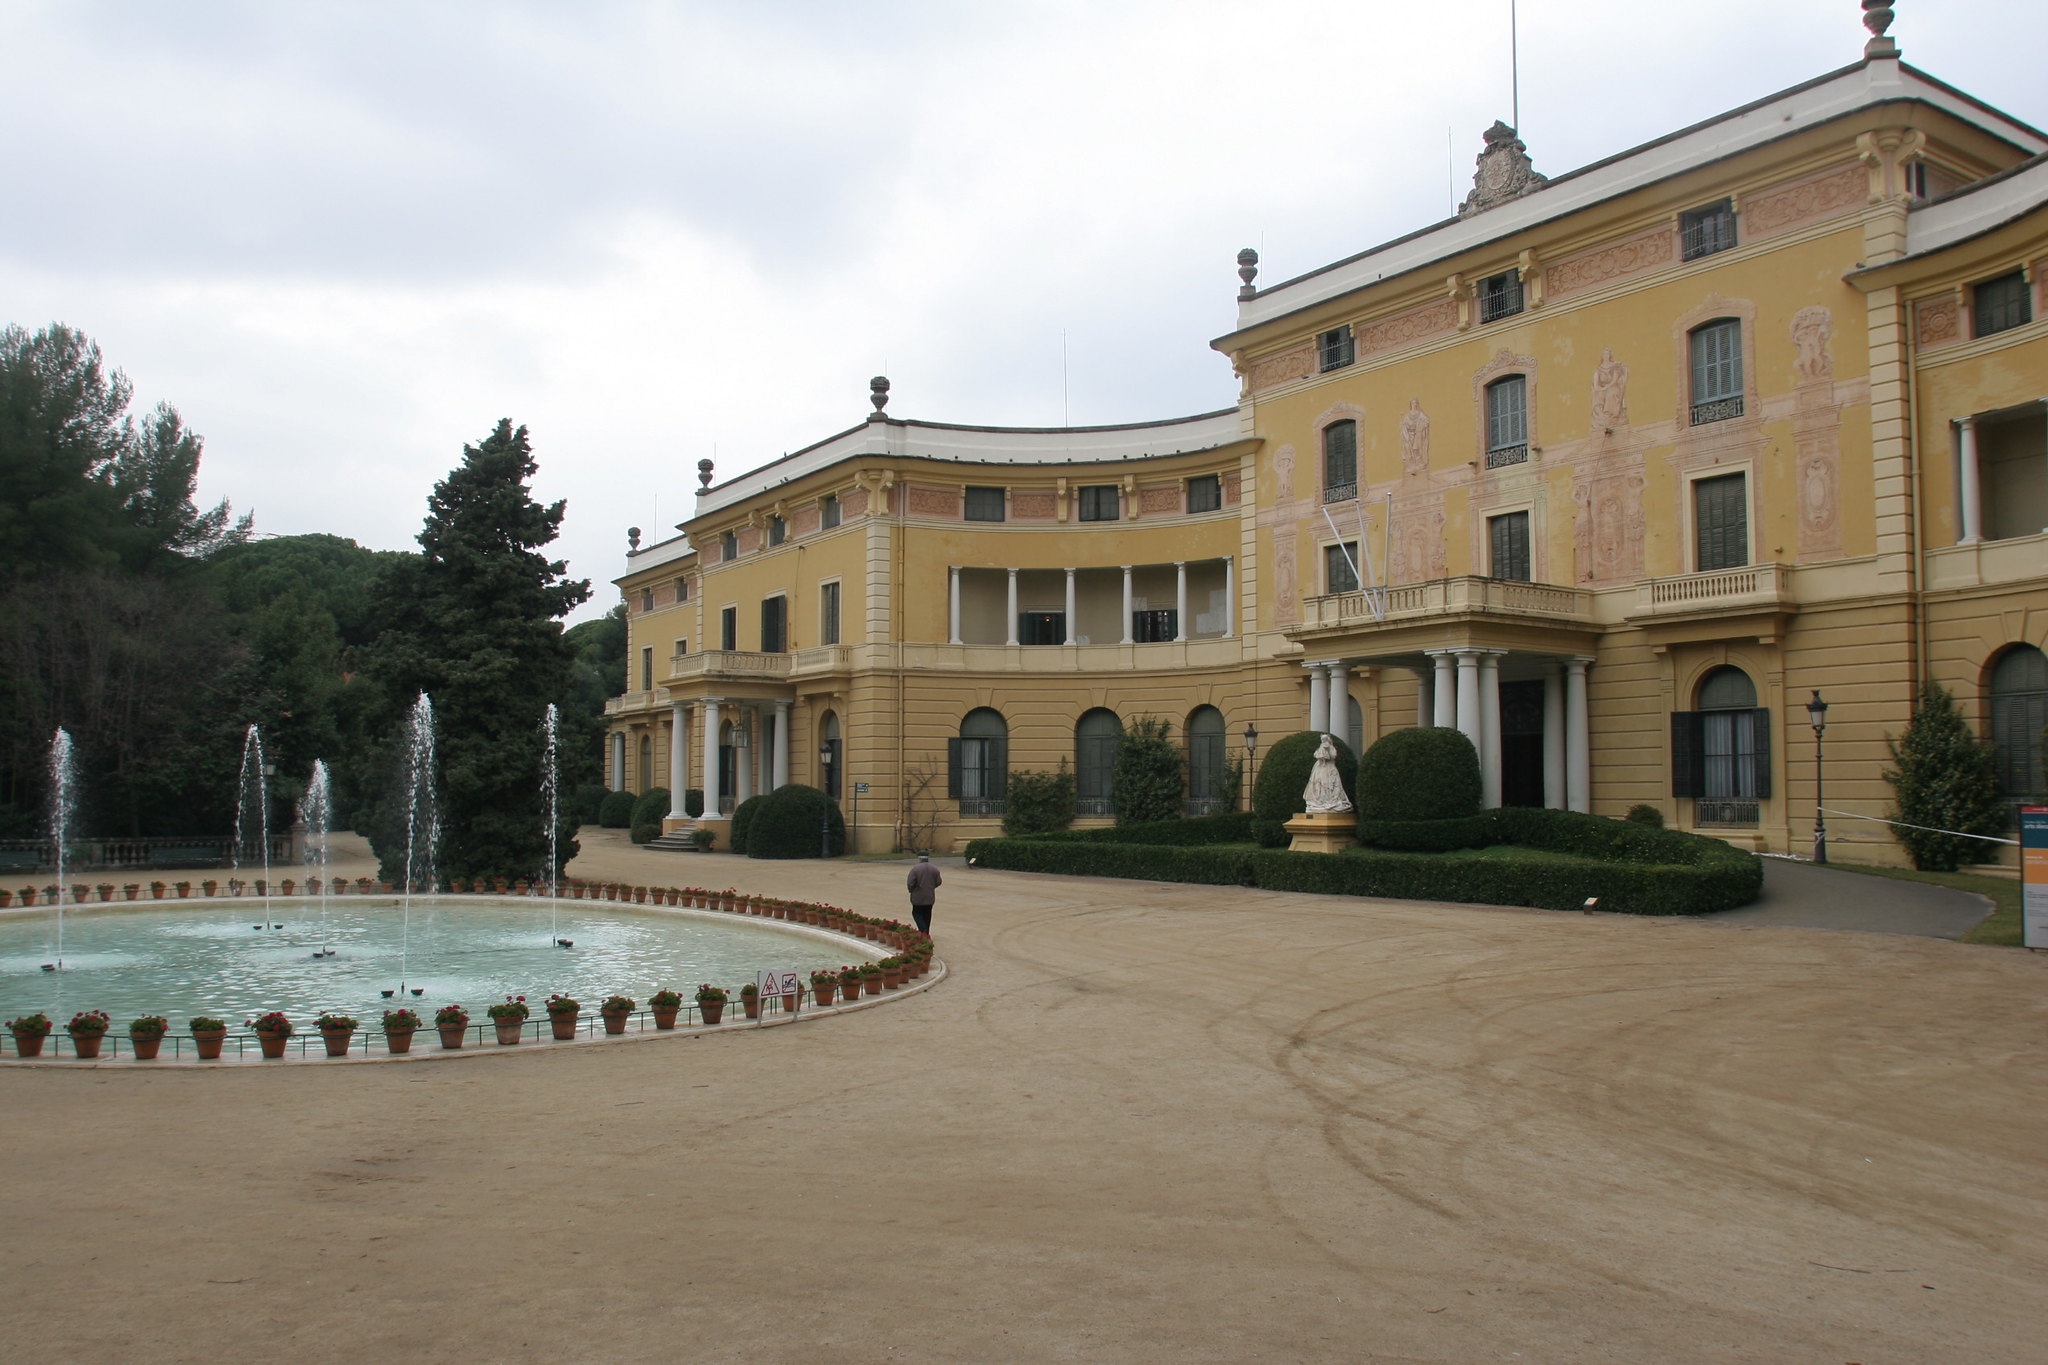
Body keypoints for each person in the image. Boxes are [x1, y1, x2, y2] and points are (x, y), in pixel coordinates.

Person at [906, 853, 941, 935]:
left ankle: (923, 930)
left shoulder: (915, 869)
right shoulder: (934, 869)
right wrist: (931, 887)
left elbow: (910, 883)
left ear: (919, 858)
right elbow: (938, 881)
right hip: (930, 896)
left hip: (918, 896)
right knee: (927, 914)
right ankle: (926, 932)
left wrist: (911, 890)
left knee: (916, 913)